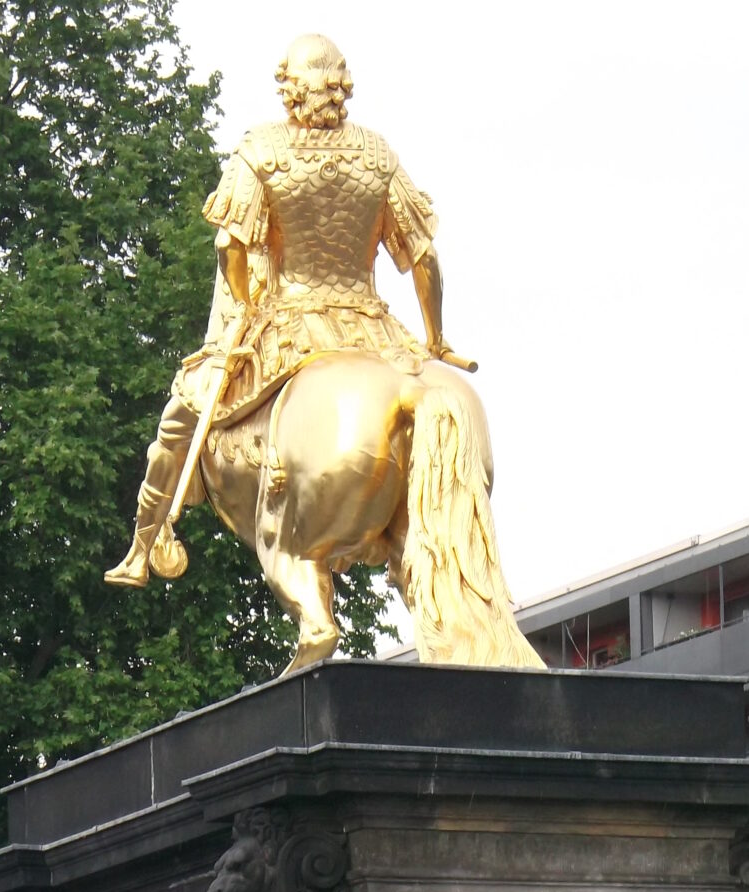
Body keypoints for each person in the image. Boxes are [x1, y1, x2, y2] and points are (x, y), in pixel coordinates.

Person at [105, 32, 473, 589]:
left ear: (290, 89)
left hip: (287, 328)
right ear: (341, 86)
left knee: (179, 418)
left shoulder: (262, 150)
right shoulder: (377, 155)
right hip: (376, 336)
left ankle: (142, 546)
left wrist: (246, 307)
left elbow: (229, 247)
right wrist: (435, 338)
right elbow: (425, 260)